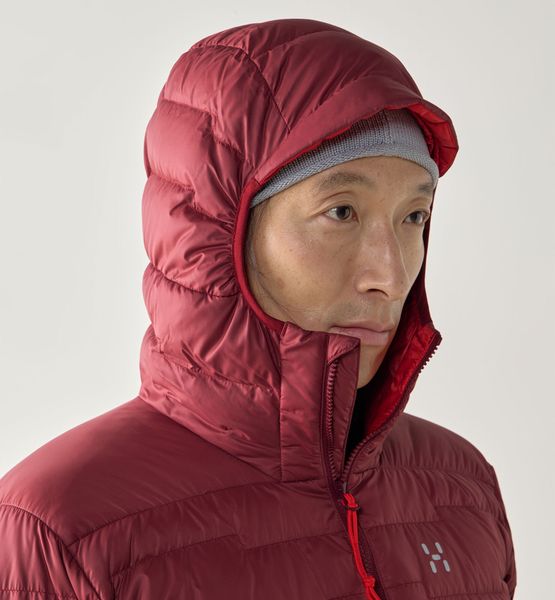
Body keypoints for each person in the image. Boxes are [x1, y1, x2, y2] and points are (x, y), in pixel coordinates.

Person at [0, 17, 516, 600]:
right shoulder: (62, 534)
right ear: (218, 232)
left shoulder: (462, 491)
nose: (391, 276)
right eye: (341, 212)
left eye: (414, 217)